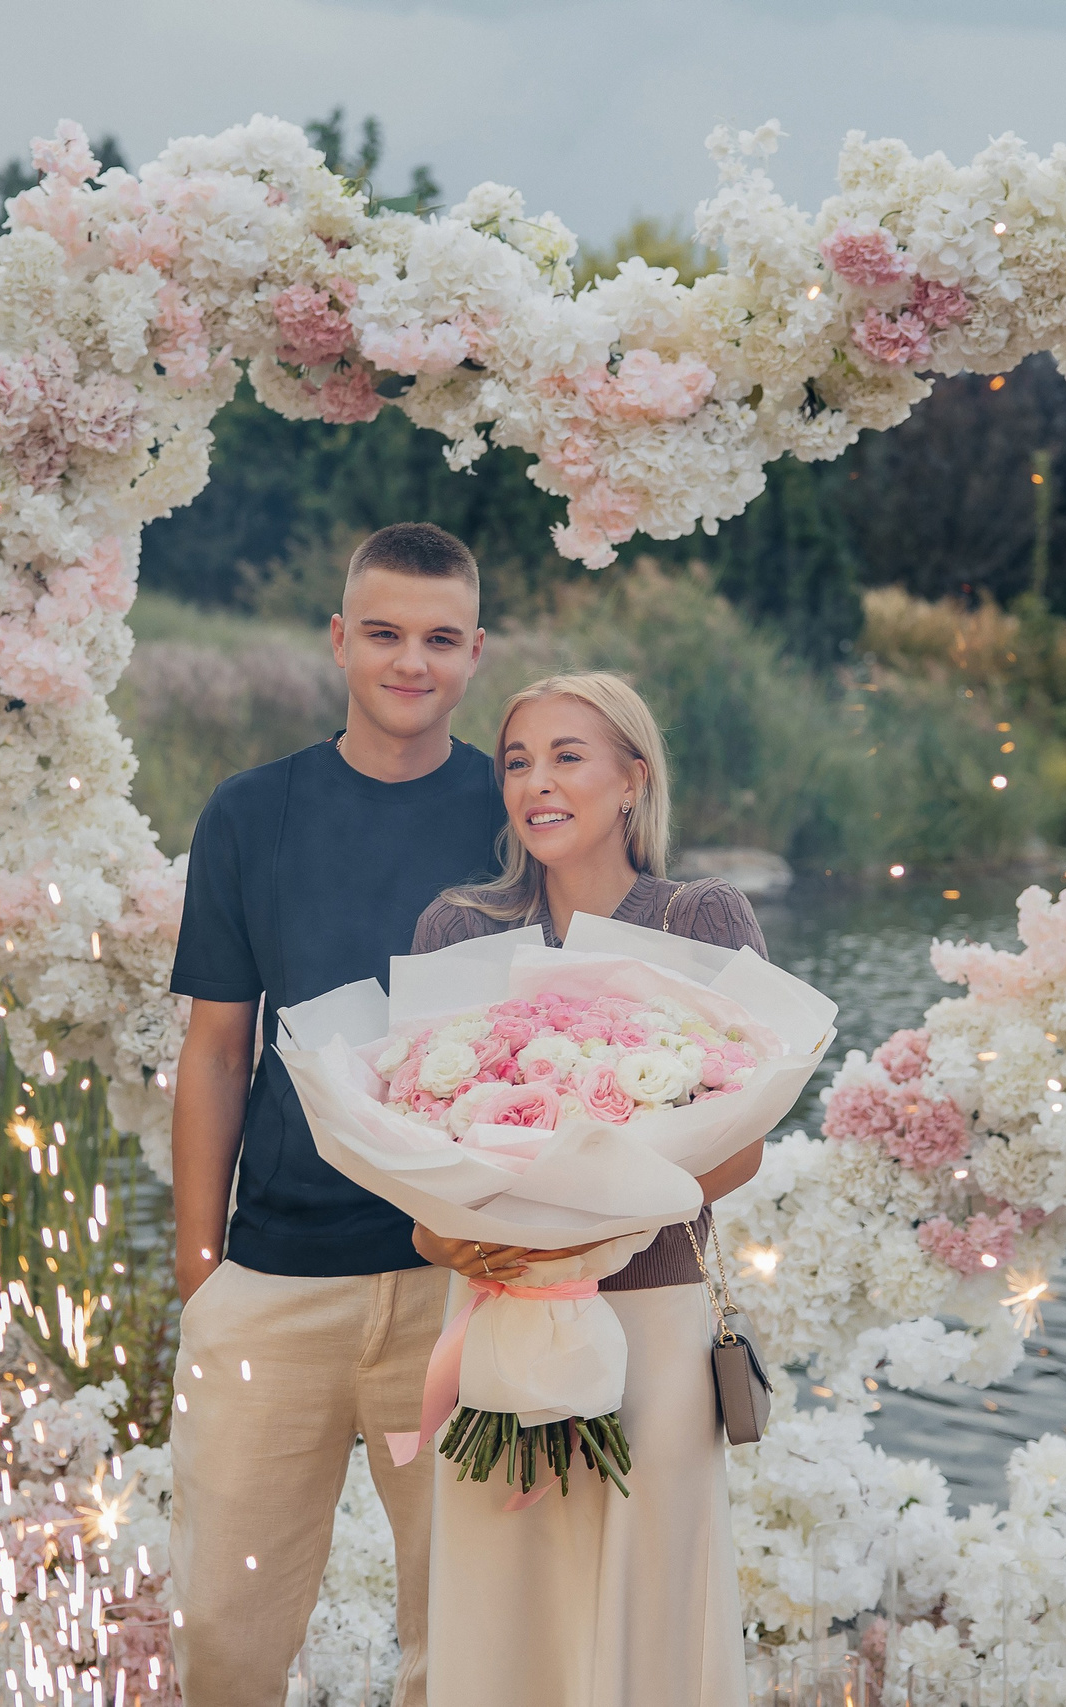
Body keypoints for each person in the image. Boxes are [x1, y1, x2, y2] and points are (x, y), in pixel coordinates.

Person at [166, 523, 501, 1707]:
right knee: (223, 1630)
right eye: (384, 634)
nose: (411, 662)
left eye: (439, 640)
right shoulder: (253, 812)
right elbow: (216, 1050)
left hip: (460, 1287)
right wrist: (202, 1264)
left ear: (476, 655)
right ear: (339, 640)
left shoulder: (519, 817)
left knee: (458, 1636)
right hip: (277, 1280)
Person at [410, 670, 766, 1707]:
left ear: (630, 780)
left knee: (649, 1589)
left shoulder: (700, 916)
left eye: (568, 756)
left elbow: (741, 1149)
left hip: (653, 1315)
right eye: (517, 762)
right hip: (498, 1313)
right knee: (504, 1597)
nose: (538, 782)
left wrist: (595, 1231)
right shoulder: (457, 930)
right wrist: (458, 1243)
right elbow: (416, 1156)